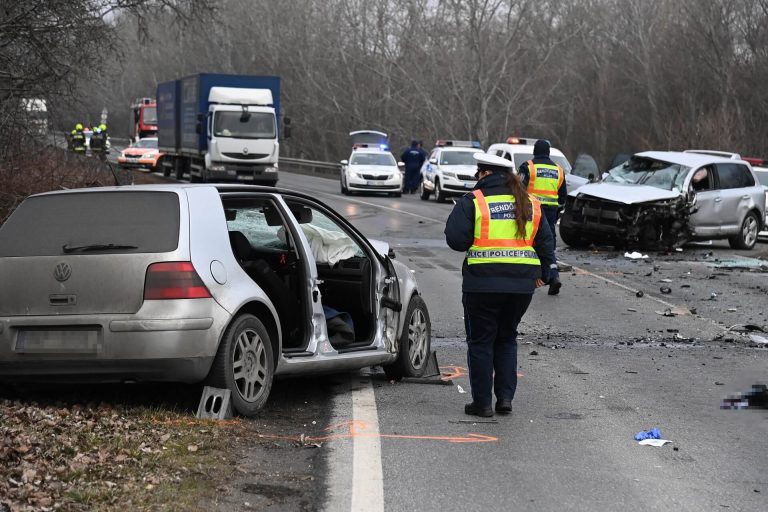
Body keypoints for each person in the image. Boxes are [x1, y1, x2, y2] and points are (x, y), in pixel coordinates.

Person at [445, 153, 555, 417]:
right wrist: (546, 273)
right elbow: (546, 241)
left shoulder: (474, 201)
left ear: (484, 174)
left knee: (481, 342)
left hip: (481, 284)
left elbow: (456, 240)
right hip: (520, 287)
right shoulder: (530, 203)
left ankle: (482, 403)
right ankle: (505, 399)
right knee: (506, 339)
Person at [517, 139, 566, 295]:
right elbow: (563, 197)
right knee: (548, 245)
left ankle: (525, 276)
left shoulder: (528, 167)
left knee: (526, 241)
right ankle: (553, 276)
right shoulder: (559, 170)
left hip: (532, 210)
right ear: (549, 152)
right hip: (551, 212)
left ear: (535, 151)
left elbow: (519, 189)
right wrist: (557, 212)